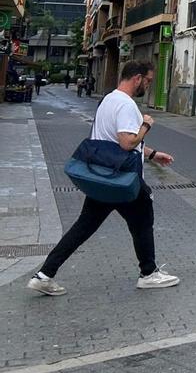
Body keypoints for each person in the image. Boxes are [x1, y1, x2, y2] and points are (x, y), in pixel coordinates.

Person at [27, 60, 179, 296]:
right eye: (148, 81)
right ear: (137, 78)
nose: (148, 86)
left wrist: (153, 154)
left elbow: (112, 142)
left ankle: (44, 275)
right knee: (142, 221)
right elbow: (127, 143)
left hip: (103, 179)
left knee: (82, 228)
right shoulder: (127, 105)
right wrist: (146, 125)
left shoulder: (108, 99)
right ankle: (148, 274)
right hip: (122, 180)